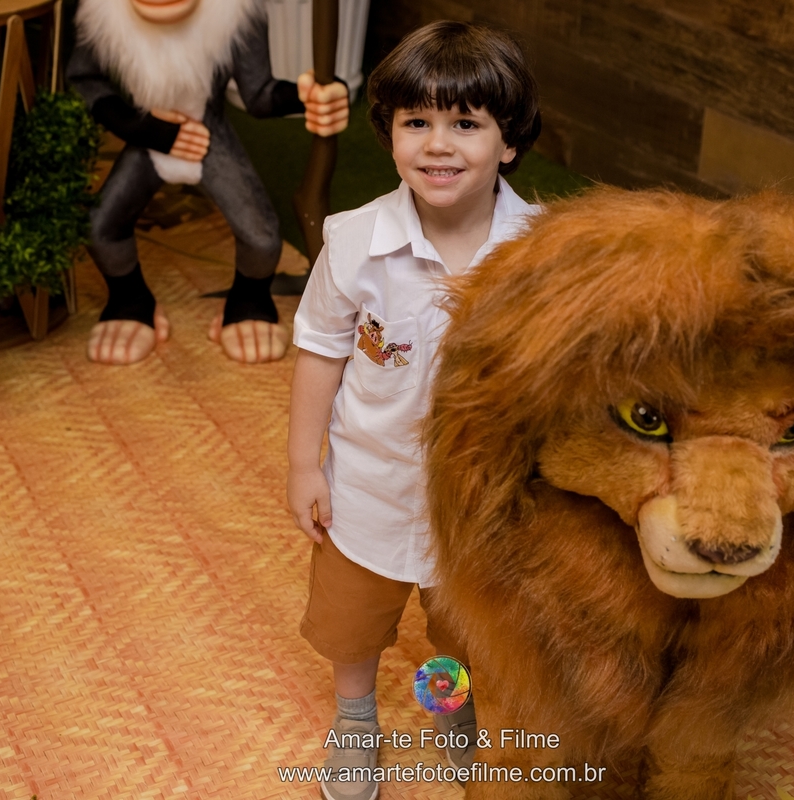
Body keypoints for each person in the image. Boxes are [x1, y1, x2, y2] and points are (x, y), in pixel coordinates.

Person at [286, 20, 542, 800]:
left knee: (458, 626)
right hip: (367, 483)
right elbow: (322, 347)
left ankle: (447, 707)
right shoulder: (355, 240)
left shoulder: (539, 252)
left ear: (508, 142)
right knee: (352, 622)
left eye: (466, 123)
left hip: (481, 499)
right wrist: (304, 463)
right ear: (390, 135)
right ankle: (356, 721)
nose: (438, 143)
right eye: (417, 122)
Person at [67, 0, 350, 366]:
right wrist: (143, 128)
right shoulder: (100, 16)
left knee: (262, 237)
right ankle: (129, 301)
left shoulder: (235, 16)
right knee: (99, 227)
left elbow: (259, 94)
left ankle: (249, 301)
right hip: (149, 139)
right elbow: (83, 80)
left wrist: (311, 96)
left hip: (209, 137)